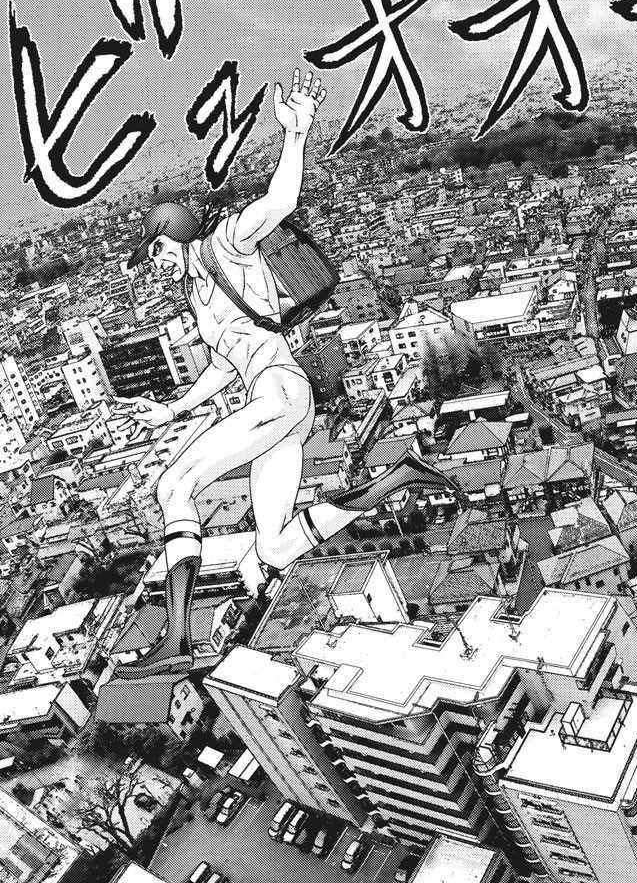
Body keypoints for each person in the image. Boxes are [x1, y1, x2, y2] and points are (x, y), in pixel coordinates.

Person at [117, 70, 463, 676]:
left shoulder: (226, 246)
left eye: (158, 253)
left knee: (173, 487)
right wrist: (172, 409)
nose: (157, 267)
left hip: (277, 393)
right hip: (278, 402)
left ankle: (176, 639)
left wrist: (295, 132)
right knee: (274, 546)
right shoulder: (199, 296)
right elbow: (225, 364)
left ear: (174, 237)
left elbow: (279, 202)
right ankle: (396, 478)